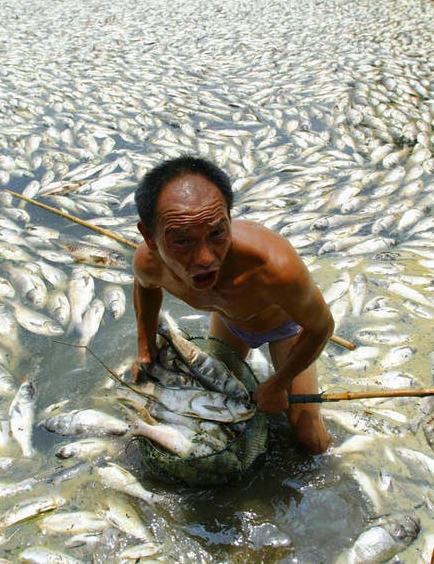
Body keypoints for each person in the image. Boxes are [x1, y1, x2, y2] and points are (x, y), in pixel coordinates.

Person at [131, 155, 334, 454]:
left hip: (284, 328)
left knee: (309, 438)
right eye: (182, 241)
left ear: (228, 217)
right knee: (220, 407)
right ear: (149, 236)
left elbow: (322, 327)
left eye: (217, 233)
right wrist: (145, 348)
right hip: (229, 323)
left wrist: (278, 384)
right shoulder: (148, 264)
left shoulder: (274, 269)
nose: (205, 259)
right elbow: (145, 289)